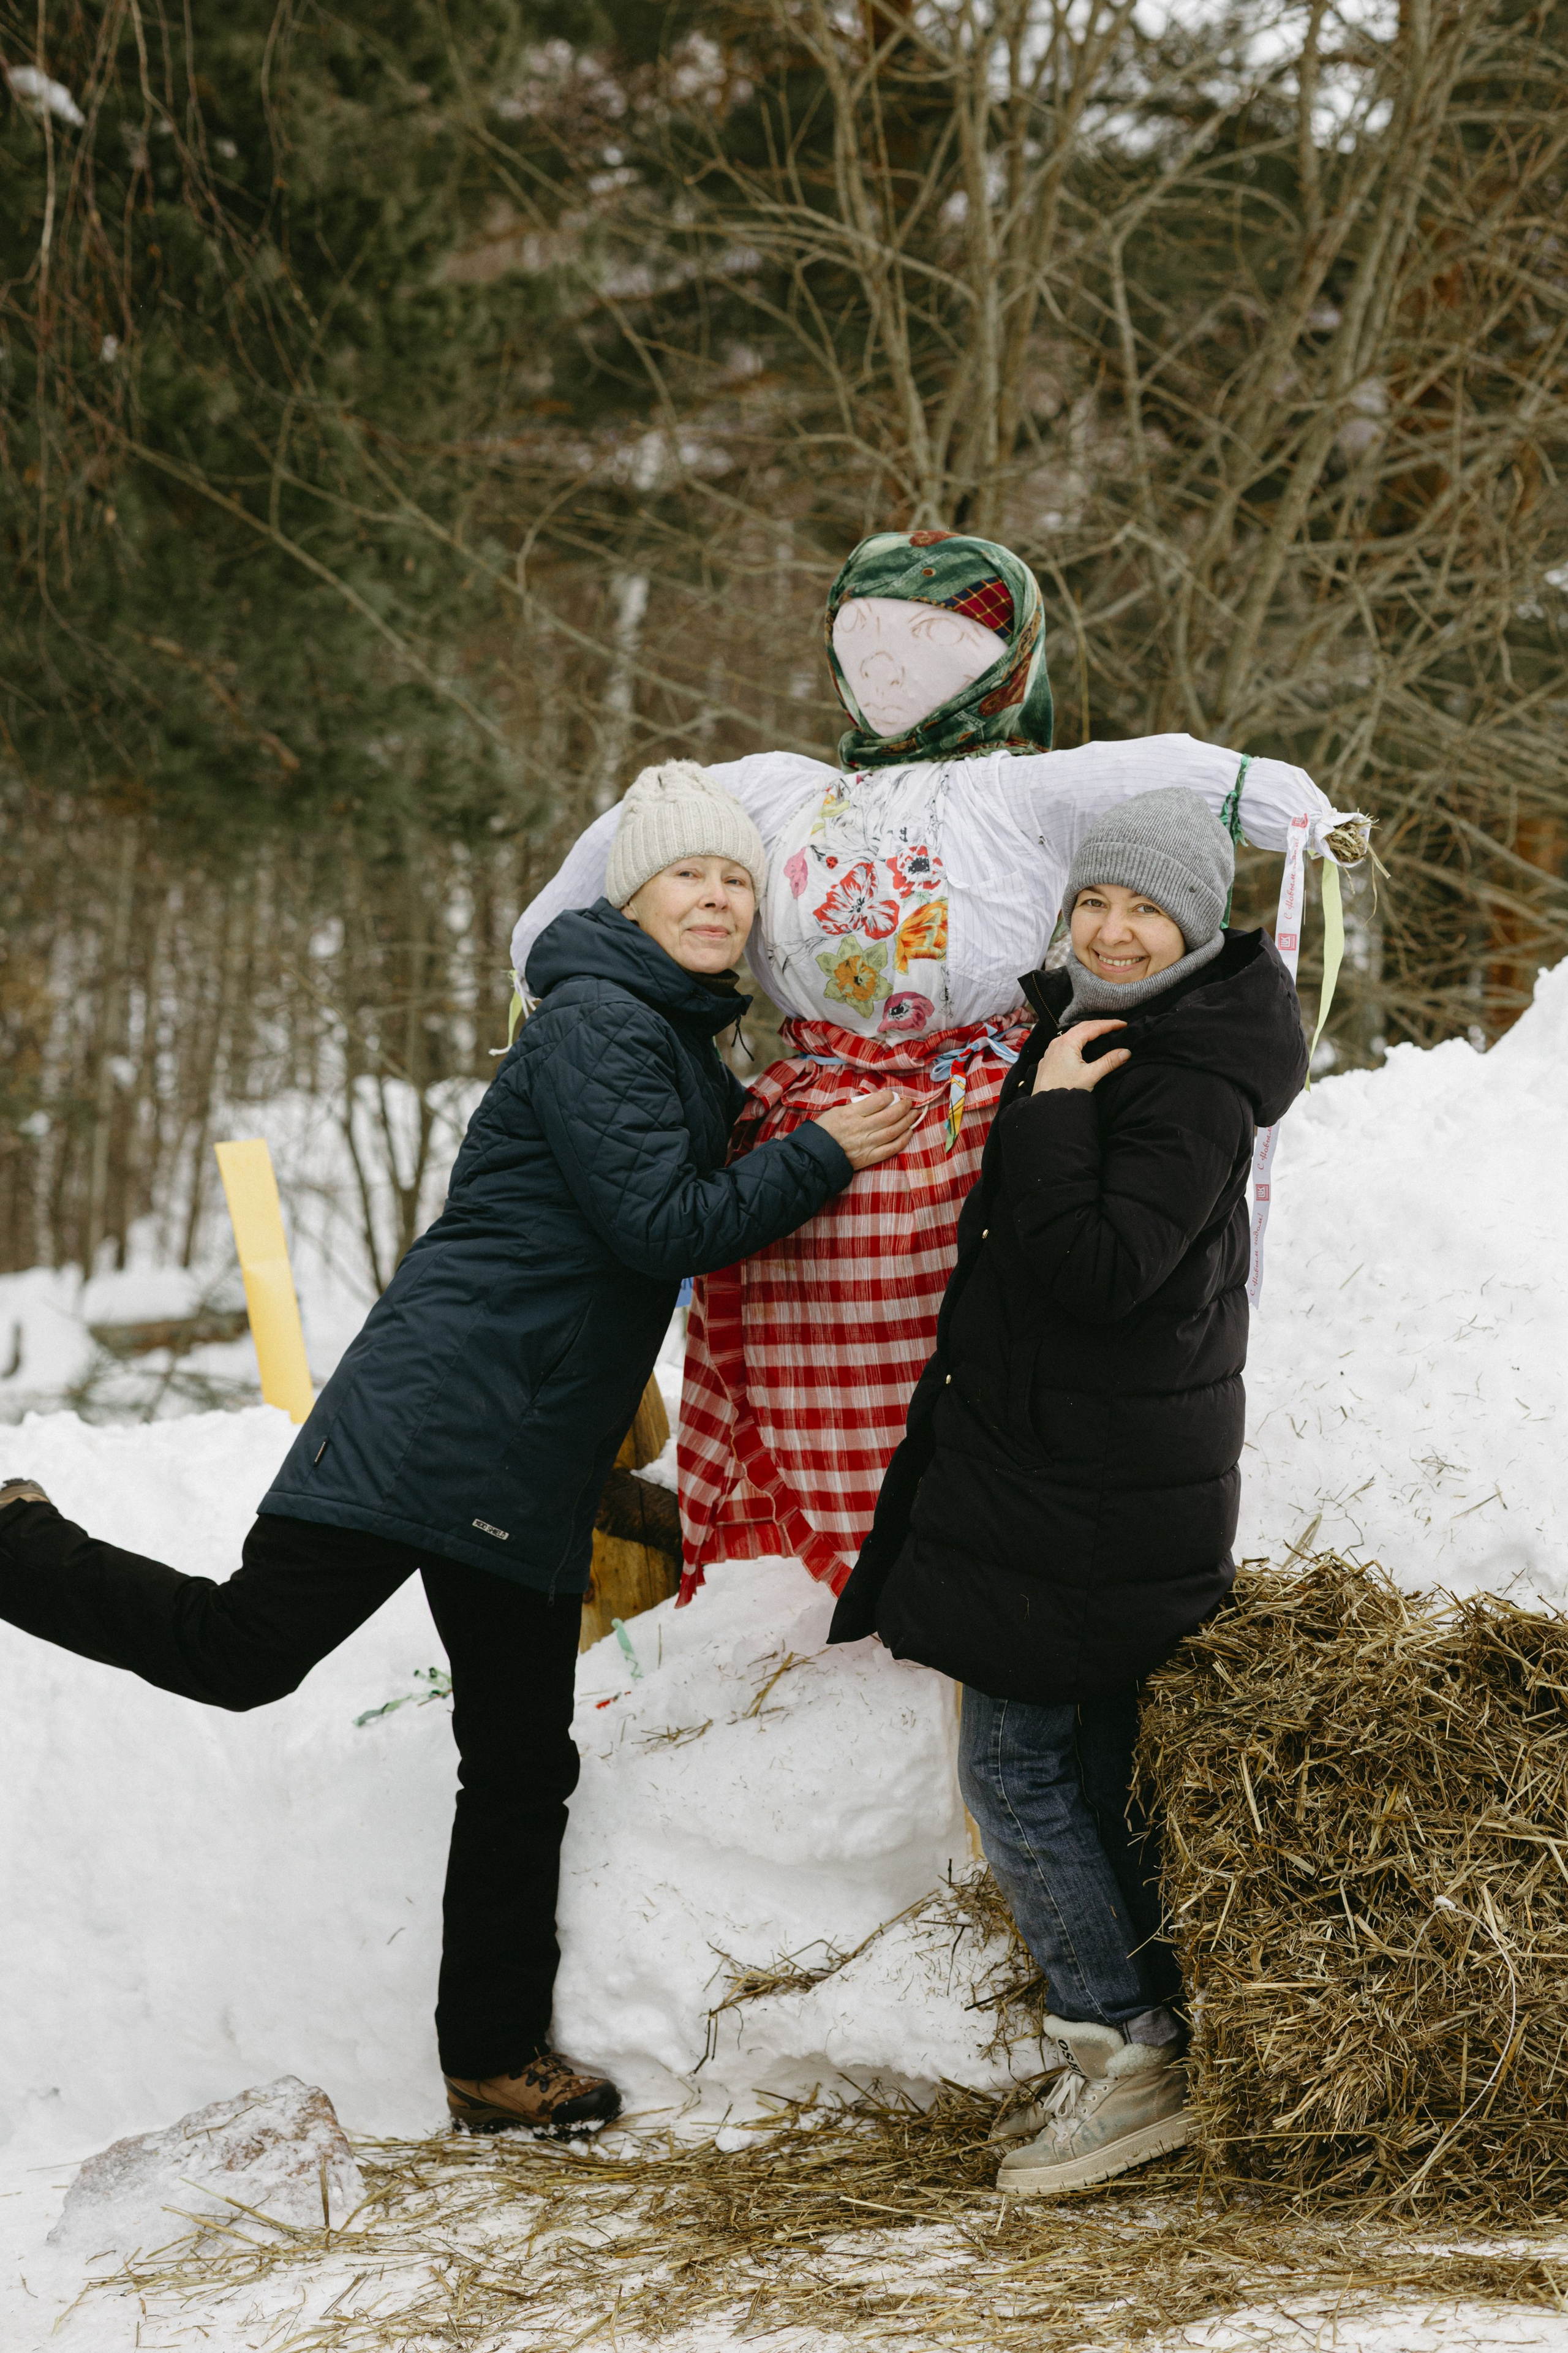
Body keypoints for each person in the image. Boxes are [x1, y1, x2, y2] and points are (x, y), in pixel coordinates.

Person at [0, 763, 918, 2136]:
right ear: (633, 895)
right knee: (249, 1652)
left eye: (736, 878)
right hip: (439, 1420)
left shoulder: (669, 1037)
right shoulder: (599, 1024)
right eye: (689, 875)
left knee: (516, 1755)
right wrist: (829, 1151)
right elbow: (662, 1226)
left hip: (521, 1455)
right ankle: (14, 1543)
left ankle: (490, 2057)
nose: (718, 897)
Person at [511, 531, 1366, 1613]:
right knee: (797, 1343)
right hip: (809, 1121)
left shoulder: (1024, 795)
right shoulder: (782, 791)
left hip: (971, 1115)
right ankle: (796, 1570)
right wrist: (545, 941)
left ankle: (949, 1553)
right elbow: (643, 825)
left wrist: (1291, 808)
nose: (889, 665)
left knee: (966, 1349)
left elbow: (1162, 767)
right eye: (865, 637)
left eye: (931, 641)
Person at [828, 786, 1309, 2196]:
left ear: (1194, 926)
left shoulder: (1186, 1077)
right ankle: (1142, 2039)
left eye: (1142, 909)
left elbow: (1106, 1269)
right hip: (1078, 1473)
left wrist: (1043, 1117)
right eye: (1094, 902)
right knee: (1083, 1771)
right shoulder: (1125, 1032)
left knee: (1014, 1769)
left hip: (1085, 1494)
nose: (1110, 927)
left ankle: (1124, 2049)